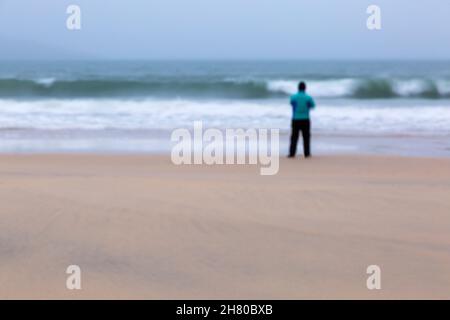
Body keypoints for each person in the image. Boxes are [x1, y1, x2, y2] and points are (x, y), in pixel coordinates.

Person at [288, 81, 316, 158]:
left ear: (298, 88)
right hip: (305, 119)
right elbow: (313, 106)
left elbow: (291, 103)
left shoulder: (293, 97)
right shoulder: (308, 97)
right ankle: (307, 153)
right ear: (305, 88)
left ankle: (292, 153)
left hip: (295, 118)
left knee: (294, 137)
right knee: (306, 137)